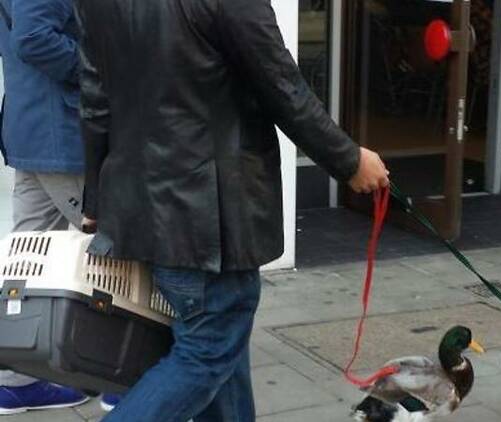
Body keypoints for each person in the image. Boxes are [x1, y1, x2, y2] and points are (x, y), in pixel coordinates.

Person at [74, 0, 390, 421]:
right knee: (206, 353)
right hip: (205, 220)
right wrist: (349, 160)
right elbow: (283, 87)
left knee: (222, 352)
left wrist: (96, 198)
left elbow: (96, 100)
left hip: (145, 208)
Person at [0, 0, 90, 414]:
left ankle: (18, 380)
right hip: (60, 131)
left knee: (27, 260)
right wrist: (94, 71)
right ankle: (124, 379)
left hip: (33, 126)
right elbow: (34, 38)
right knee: (114, 240)